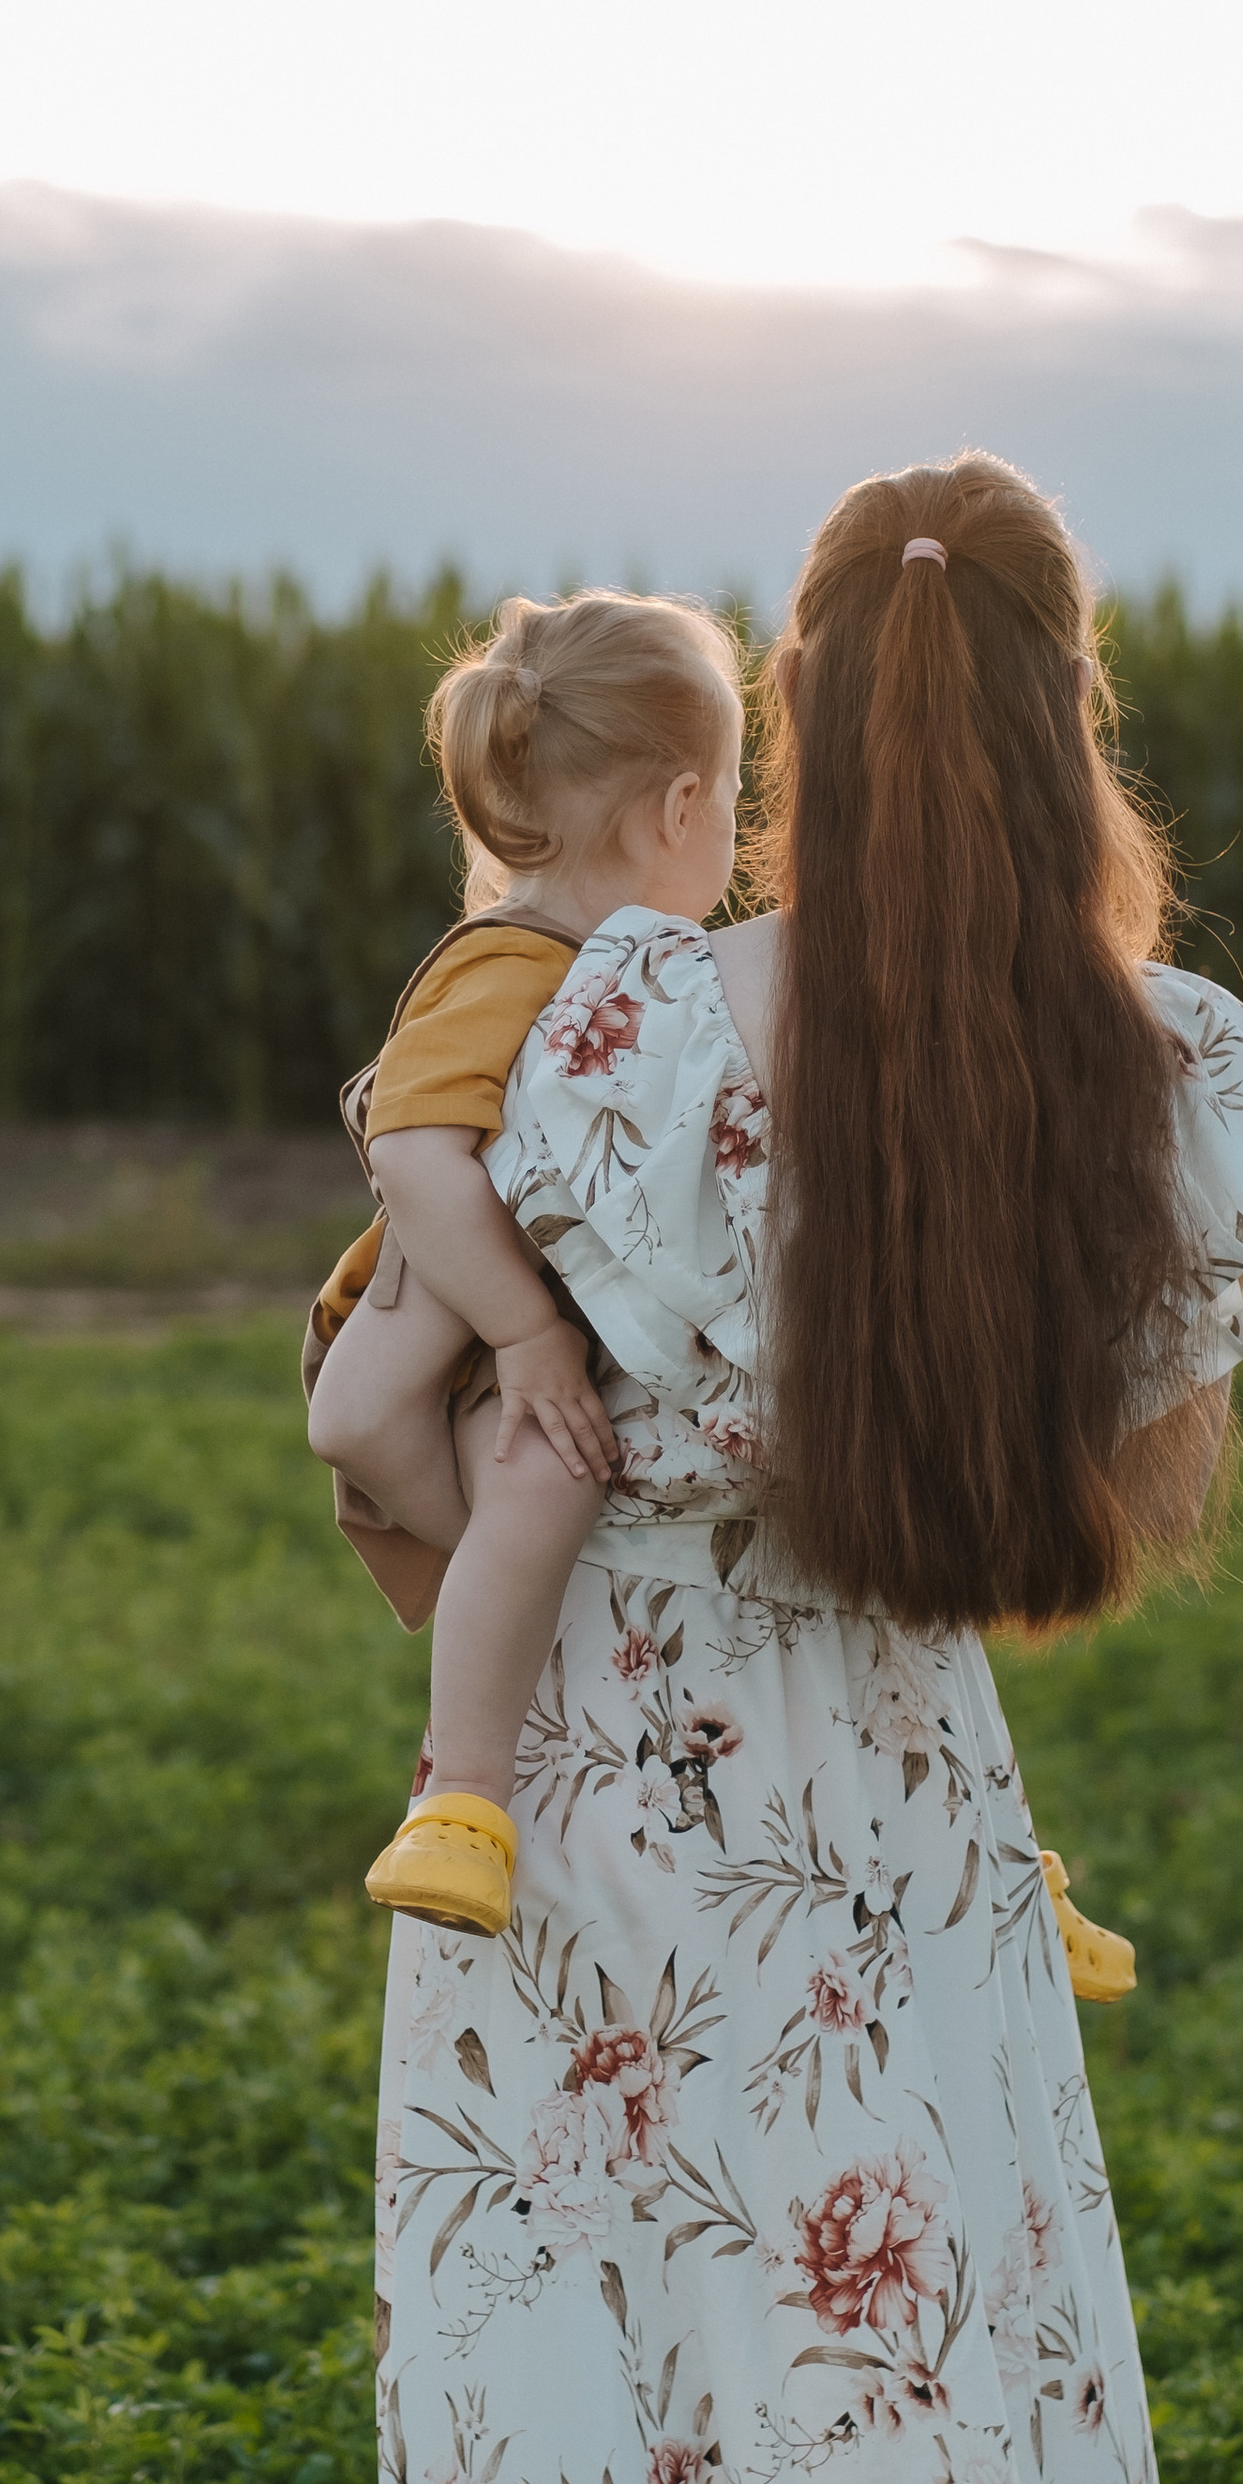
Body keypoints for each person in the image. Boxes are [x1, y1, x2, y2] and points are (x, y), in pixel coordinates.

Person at [370, 455, 1243, 2484]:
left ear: (796, 699)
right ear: (1065, 708)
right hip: (896, 1773)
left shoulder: (632, 1028)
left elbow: (431, 1358)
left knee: (606, 2313)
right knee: (904, 2306)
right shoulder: (1161, 1082)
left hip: (611, 1748)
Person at [306, 591, 749, 1940]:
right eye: (736, 799)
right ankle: (464, 1799)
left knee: (543, 1532)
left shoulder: (598, 963)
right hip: (459, 1335)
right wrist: (525, 1332)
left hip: (484, 1325)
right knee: (549, 1483)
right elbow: (411, 1149)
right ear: (680, 807)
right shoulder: (519, 964)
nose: (737, 833)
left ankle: (520, 1651)